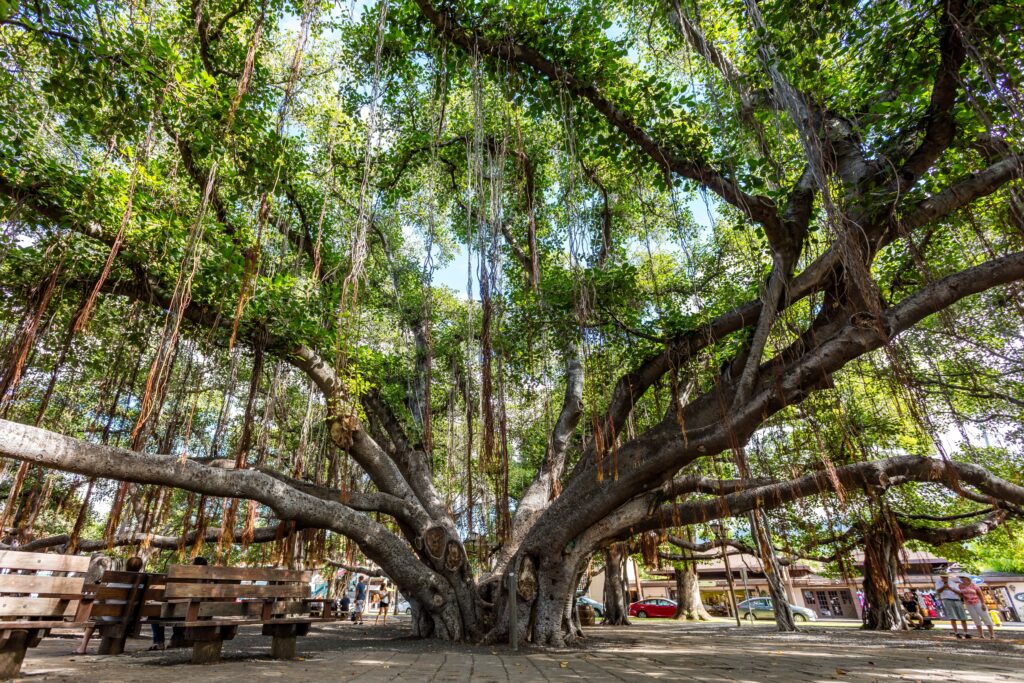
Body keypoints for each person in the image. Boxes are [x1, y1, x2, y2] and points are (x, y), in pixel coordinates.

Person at [75, 556, 144, 654]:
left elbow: (102, 598)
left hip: (111, 618)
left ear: (126, 566)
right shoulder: (141, 586)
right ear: (140, 568)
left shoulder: (115, 583)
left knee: (93, 616)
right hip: (130, 617)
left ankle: (82, 647)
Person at [151, 556, 208, 650]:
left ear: (194, 566)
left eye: (191, 563)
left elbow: (170, 596)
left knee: (154, 614)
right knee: (181, 609)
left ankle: (159, 642)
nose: (188, 564)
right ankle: (177, 638)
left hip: (184, 612)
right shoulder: (209, 580)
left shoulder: (183, 577)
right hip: (202, 613)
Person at [935, 572, 971, 639]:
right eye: (943, 577)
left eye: (946, 577)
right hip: (947, 599)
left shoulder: (952, 583)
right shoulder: (938, 583)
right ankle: (956, 633)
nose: (945, 578)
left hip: (957, 599)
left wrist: (950, 588)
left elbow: (959, 592)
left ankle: (966, 633)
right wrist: (944, 587)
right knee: (952, 617)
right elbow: (938, 591)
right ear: (941, 577)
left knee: (963, 617)